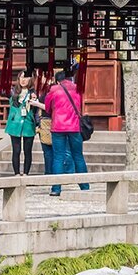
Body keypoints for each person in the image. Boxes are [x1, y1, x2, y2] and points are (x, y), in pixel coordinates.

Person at [44, 68, 87, 196]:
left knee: (58, 157)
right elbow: (81, 106)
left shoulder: (54, 89)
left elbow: (47, 108)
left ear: (57, 80)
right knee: (78, 156)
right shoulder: (77, 88)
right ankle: (85, 186)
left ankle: (56, 188)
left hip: (58, 127)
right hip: (74, 127)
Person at [4, 83, 43, 176]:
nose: (23, 80)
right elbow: (2, 91)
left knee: (27, 151)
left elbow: (37, 110)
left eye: (26, 77)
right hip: (15, 124)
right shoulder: (13, 91)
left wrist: (38, 122)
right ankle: (16, 173)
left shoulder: (34, 93)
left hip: (28, 123)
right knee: (16, 150)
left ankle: (26, 173)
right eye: (21, 77)